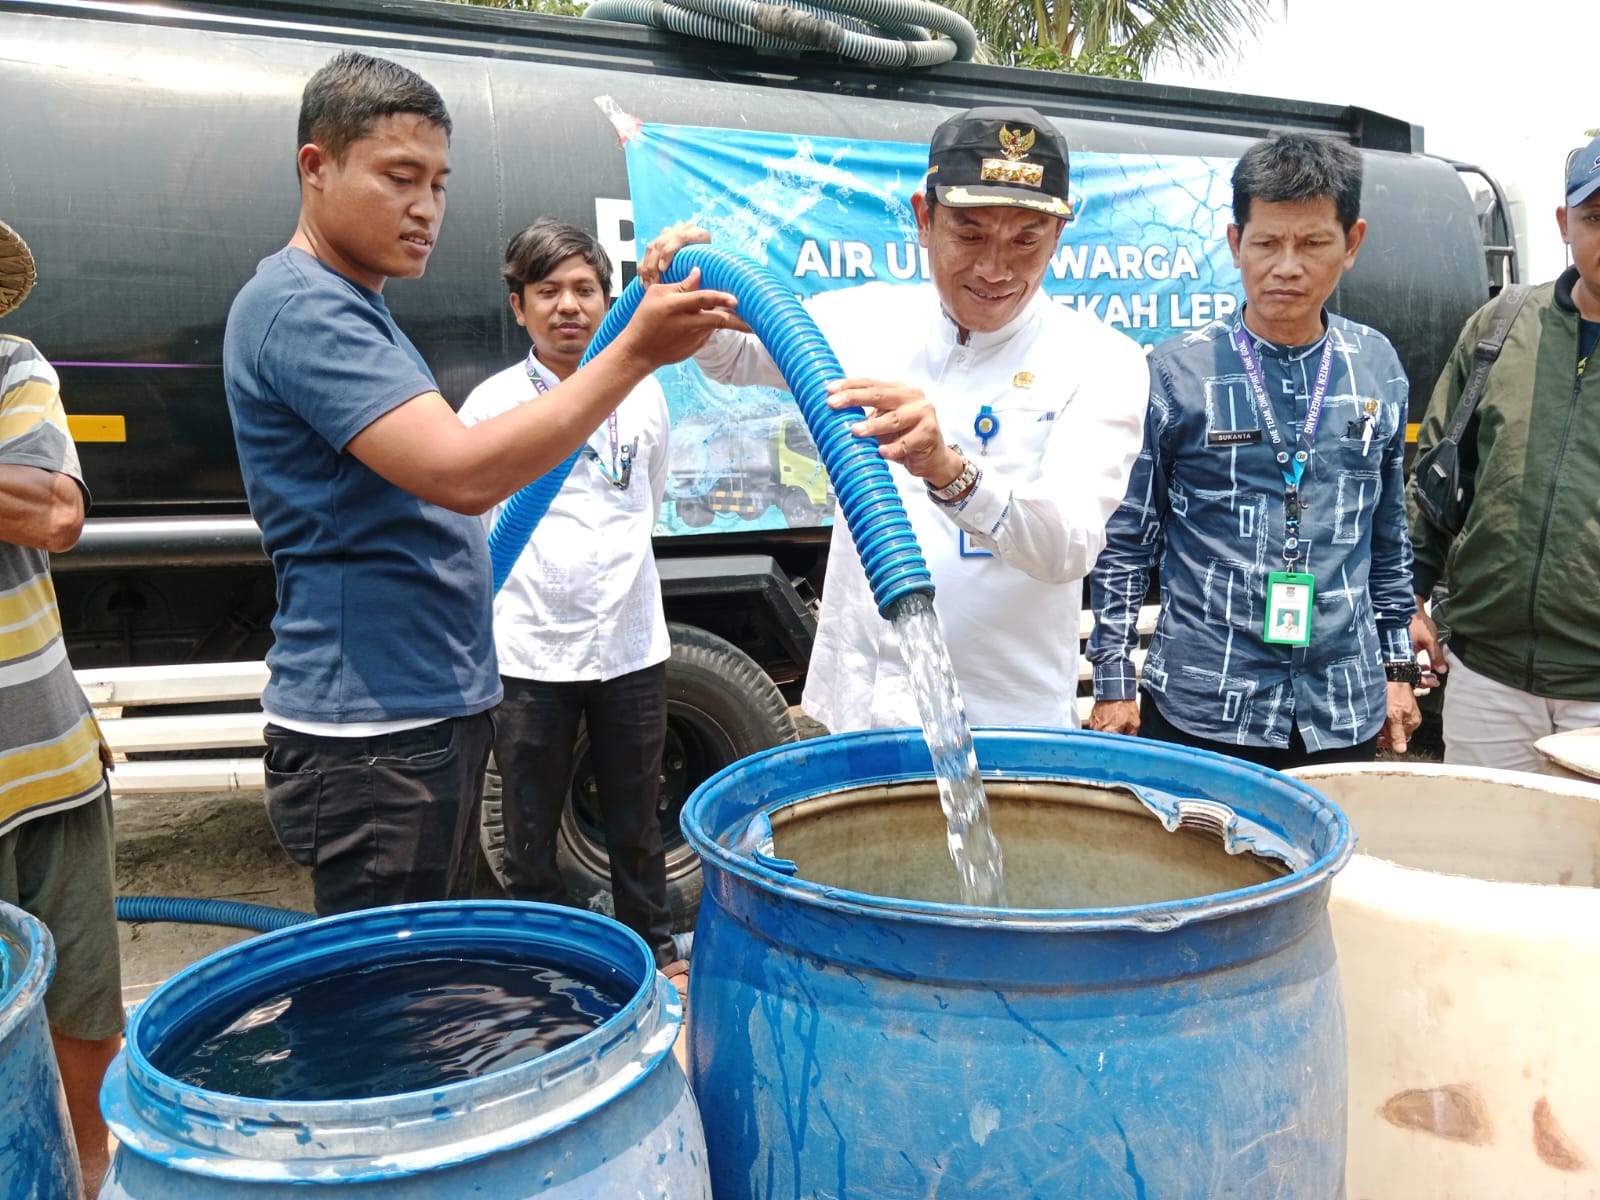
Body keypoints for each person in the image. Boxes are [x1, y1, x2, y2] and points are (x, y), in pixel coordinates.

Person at [222, 52, 737, 916]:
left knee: (438, 961)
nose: (426, 208)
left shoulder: (355, 304)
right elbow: (461, 475)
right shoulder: (303, 307)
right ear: (317, 166)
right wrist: (635, 352)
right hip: (377, 728)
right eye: (400, 178)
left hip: (420, 708)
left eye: (439, 184)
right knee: (400, 979)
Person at [641, 106, 1150, 731]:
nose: (995, 269)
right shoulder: (866, 317)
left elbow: (1067, 546)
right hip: (856, 706)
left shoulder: (1102, 359)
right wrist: (690, 278)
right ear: (923, 220)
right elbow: (733, 357)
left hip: (1003, 721)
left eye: (1026, 240)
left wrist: (951, 472)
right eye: (970, 234)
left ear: (1058, 237)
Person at [1088, 133, 1422, 769]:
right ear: (1236, 242)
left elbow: (1387, 536)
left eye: (1313, 243)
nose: (1287, 266)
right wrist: (1113, 680)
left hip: (1340, 705)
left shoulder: (1376, 365)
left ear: (1351, 243)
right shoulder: (1176, 373)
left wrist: (1398, 668)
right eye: (1267, 243)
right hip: (1205, 703)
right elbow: (1127, 540)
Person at [458, 219, 684, 988]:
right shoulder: (490, 405)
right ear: (518, 306)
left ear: (608, 301)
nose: (568, 306)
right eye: (547, 291)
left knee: (637, 819)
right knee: (528, 826)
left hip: (630, 645)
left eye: (585, 289)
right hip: (528, 650)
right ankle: (542, 967)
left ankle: (655, 953)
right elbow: (476, 525)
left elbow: (649, 496)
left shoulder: (643, 394)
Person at [1408, 135, 1600, 772]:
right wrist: (1408, 599)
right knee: (1483, 834)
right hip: (1487, 677)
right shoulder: (1501, 326)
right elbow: (1435, 476)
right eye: (1596, 217)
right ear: (1564, 224)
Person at [0, 218, 120, 1195]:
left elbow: (54, 511)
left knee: (82, 1018)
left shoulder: (14, 366)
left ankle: (86, 1177)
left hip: (43, 761)